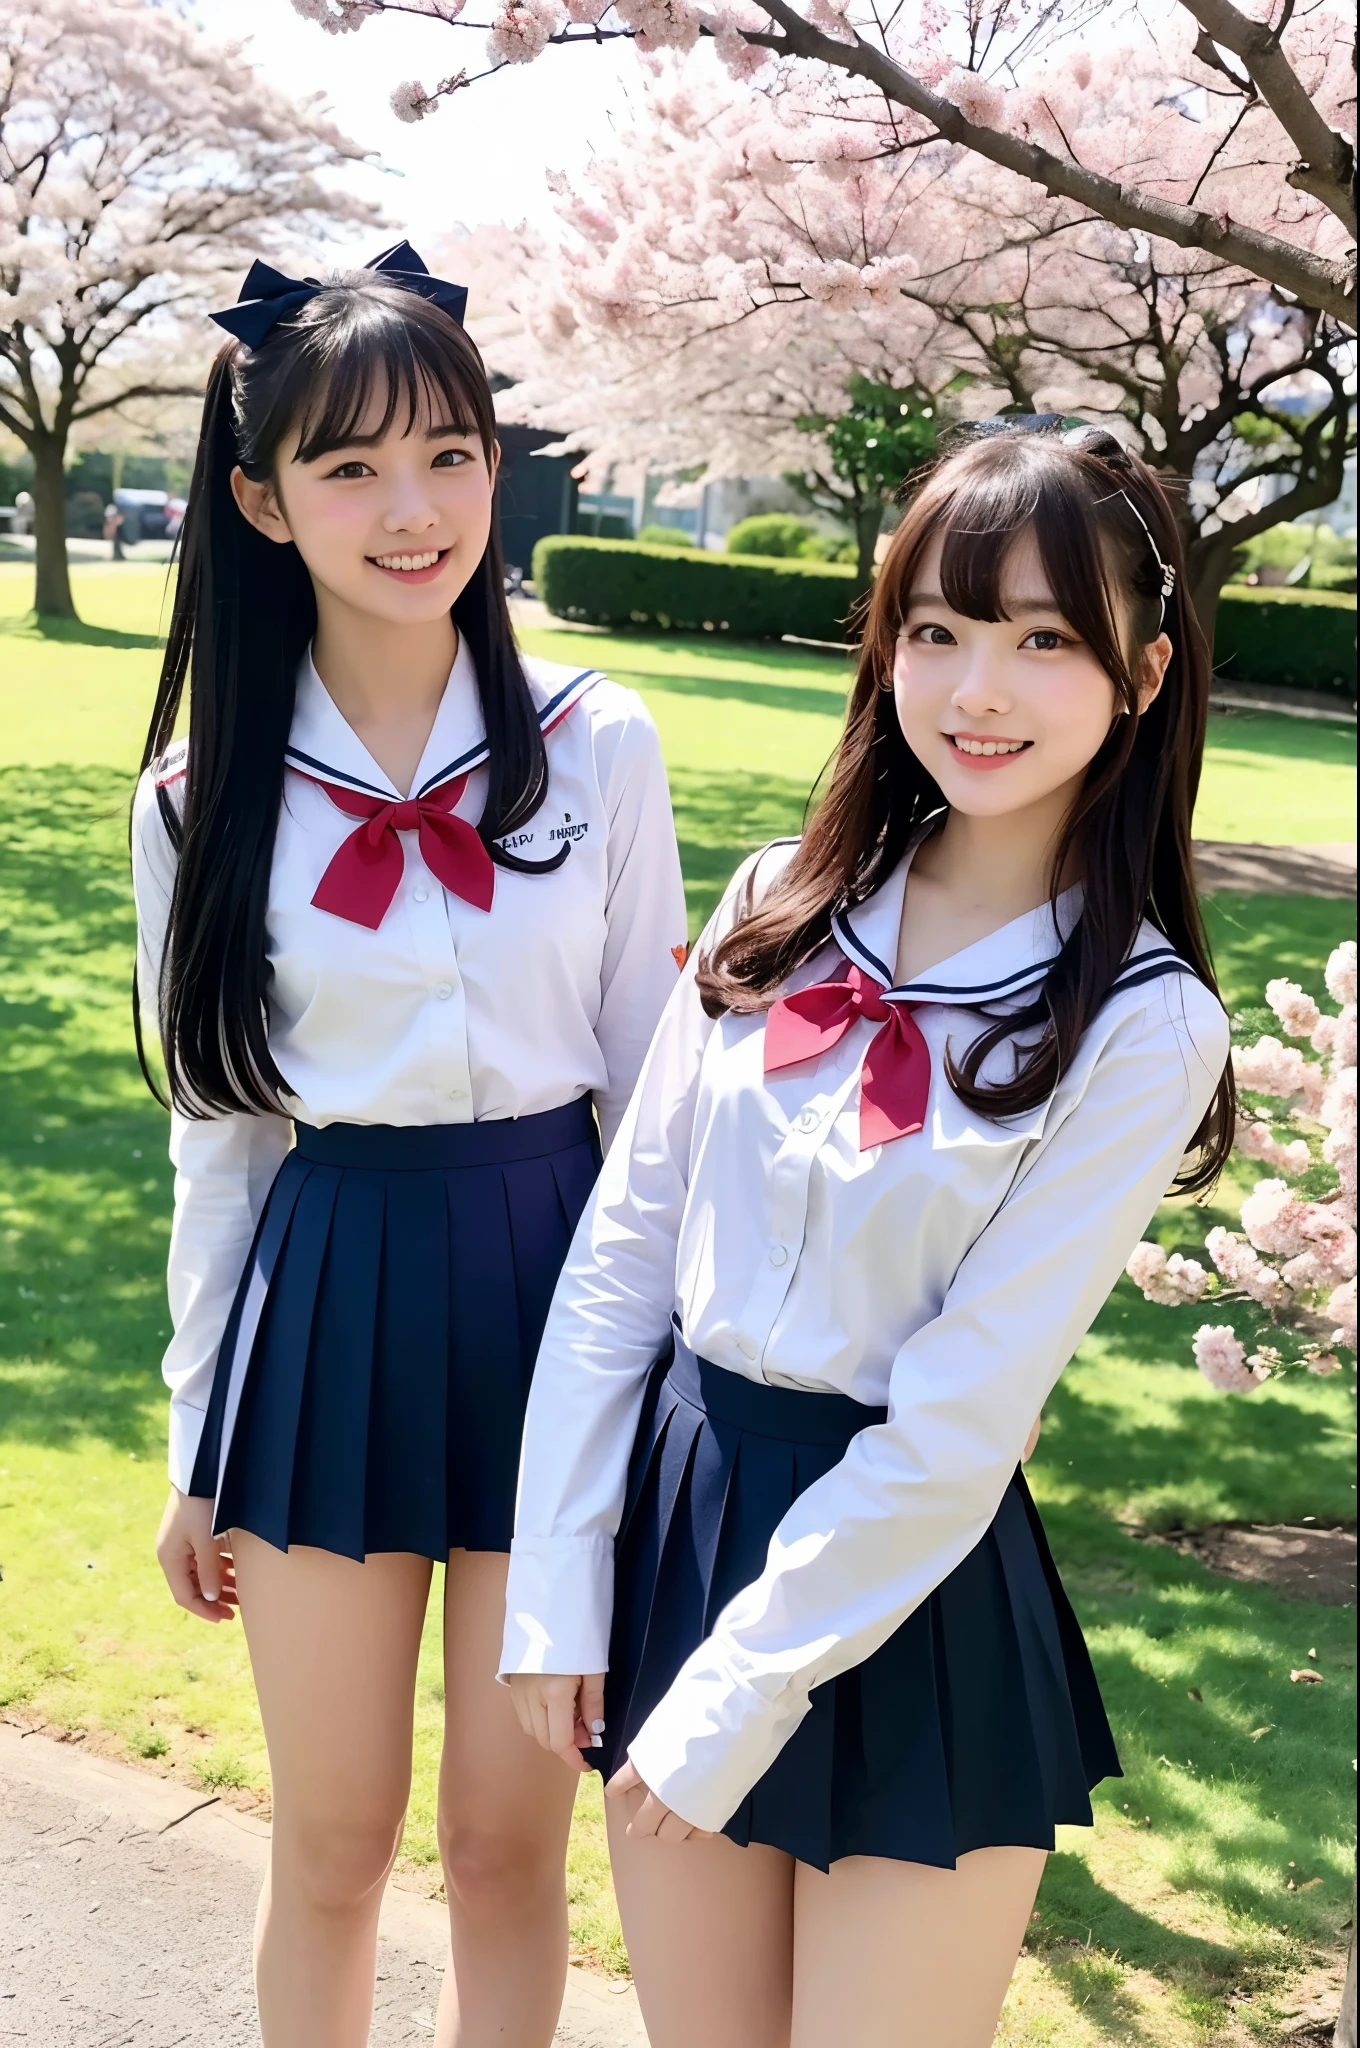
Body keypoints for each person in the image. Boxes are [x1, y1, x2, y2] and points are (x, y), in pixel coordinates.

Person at [502, 421, 1234, 2048]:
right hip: (685, 1528)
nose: (980, 688)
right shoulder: (782, 897)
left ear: (1146, 667)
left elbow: (963, 1417)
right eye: (941, 630)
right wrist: (554, 1586)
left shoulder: (1141, 1023)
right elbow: (624, 1260)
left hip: (907, 1578)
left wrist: (742, 1692)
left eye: (1046, 639)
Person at [131, 242, 686, 2048]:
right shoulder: (198, 800)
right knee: (335, 1840)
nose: (412, 506)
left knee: (512, 1841)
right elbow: (218, 1147)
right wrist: (193, 1437)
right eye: (351, 466)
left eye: (448, 452)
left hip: (558, 1294)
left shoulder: (602, 750)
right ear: (261, 499)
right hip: (329, 1297)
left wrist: (650, 1403)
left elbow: (651, 1104)